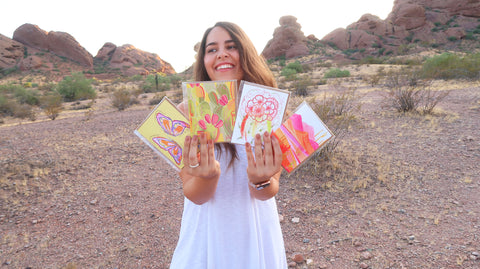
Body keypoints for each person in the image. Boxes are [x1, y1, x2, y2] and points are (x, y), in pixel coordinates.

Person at [170, 22, 287, 268]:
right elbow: (195, 196)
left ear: (245, 54)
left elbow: (267, 191)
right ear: (204, 61)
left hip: (255, 232)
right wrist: (207, 178)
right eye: (211, 49)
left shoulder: (267, 108)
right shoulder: (185, 113)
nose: (221, 53)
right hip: (206, 235)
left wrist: (261, 180)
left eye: (231, 46)